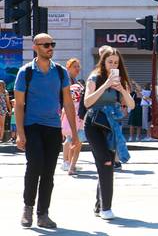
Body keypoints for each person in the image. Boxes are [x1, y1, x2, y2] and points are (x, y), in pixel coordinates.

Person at [15, 34, 80, 229]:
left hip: (53, 127)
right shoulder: (25, 72)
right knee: (34, 166)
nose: (50, 47)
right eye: (45, 45)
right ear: (35, 47)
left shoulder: (60, 72)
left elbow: (68, 103)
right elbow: (19, 105)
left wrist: (75, 134)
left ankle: (43, 213)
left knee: (48, 173)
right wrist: (20, 133)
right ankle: (28, 208)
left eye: (52, 44)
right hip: (32, 126)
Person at [83, 46, 134, 220]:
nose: (113, 65)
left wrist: (121, 89)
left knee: (106, 164)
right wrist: (105, 85)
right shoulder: (94, 77)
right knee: (105, 162)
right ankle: (106, 208)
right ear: (103, 62)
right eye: (110, 62)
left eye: (116, 63)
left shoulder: (121, 81)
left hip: (111, 125)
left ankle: (99, 206)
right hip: (94, 123)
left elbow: (132, 105)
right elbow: (87, 102)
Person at [60, 58, 84, 175]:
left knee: (72, 138)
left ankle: (69, 162)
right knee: (69, 138)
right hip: (68, 112)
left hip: (74, 113)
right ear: (68, 67)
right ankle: (66, 162)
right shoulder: (67, 80)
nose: (77, 68)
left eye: (78, 66)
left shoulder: (74, 80)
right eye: (75, 66)